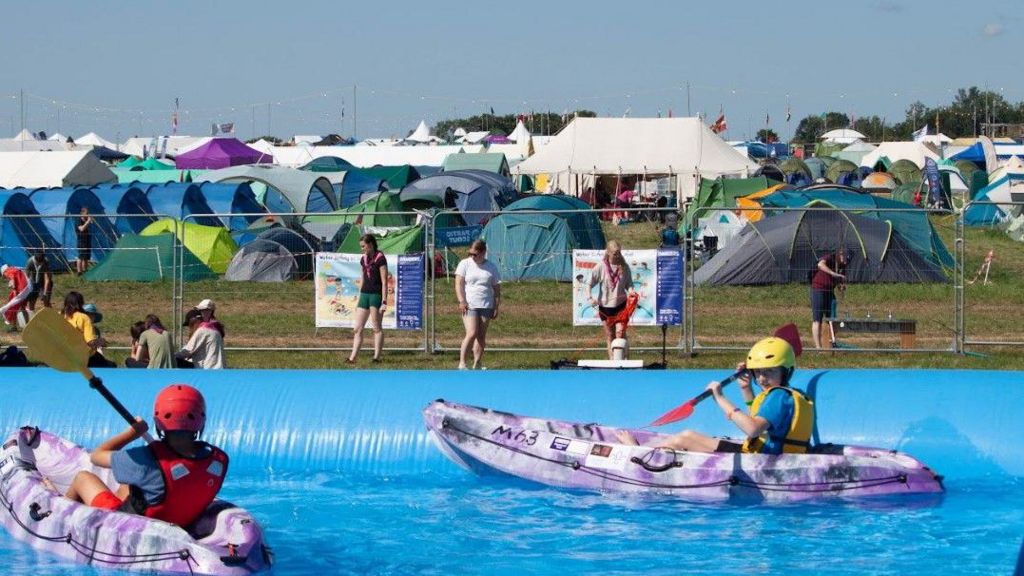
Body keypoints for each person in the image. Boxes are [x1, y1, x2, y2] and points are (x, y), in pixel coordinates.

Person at [63, 384, 229, 528]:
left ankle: (60, 515)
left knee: (82, 478)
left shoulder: (144, 460)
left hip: (127, 525)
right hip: (179, 523)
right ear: (201, 421)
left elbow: (96, 456)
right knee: (128, 485)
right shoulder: (219, 460)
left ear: (158, 422)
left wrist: (133, 433)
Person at [617, 337, 814, 455]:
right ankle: (647, 451)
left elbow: (752, 429)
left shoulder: (778, 396)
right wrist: (746, 389)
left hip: (763, 461)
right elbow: (759, 422)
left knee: (684, 439)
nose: (762, 378)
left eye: (770, 372)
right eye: (758, 372)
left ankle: (637, 453)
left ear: (785, 371)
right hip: (770, 455)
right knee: (688, 436)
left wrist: (720, 398)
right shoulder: (789, 395)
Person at [455, 239, 501, 370]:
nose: (472, 256)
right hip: (470, 304)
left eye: (475, 254)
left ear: (483, 253)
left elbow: (497, 289)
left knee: (481, 335)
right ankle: (462, 363)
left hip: (486, 304)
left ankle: (477, 363)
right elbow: (459, 284)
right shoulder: (464, 264)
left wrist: (496, 306)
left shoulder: (491, 266)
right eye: (470, 253)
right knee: (472, 332)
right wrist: (461, 300)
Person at [588, 241, 634, 360]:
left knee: (620, 333)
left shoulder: (624, 266)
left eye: (619, 253)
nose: (617, 256)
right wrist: (590, 297)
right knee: (610, 335)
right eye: (614, 254)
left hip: (620, 306)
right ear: (608, 253)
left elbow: (629, 284)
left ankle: (626, 360)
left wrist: (631, 291)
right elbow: (589, 284)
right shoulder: (600, 267)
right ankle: (612, 362)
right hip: (605, 308)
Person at [347, 234, 388, 364]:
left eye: (363, 246)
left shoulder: (380, 258)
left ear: (370, 245)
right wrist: (359, 297)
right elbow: (363, 278)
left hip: (376, 295)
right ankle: (352, 357)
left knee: (376, 327)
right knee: (357, 328)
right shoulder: (363, 259)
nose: (362, 249)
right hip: (365, 295)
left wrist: (384, 301)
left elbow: (384, 281)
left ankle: (376, 357)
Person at [810, 249, 848, 349]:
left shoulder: (843, 266)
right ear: (838, 254)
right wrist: (833, 273)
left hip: (830, 291)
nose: (845, 257)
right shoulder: (829, 258)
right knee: (817, 320)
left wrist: (841, 286)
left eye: (846, 255)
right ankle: (818, 348)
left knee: (832, 319)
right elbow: (820, 265)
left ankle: (831, 343)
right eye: (843, 254)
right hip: (818, 290)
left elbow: (840, 283)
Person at [1, 264, 32, 331]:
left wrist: (14, 288)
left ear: (3, 272)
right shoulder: (17, 269)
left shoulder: (7, 271)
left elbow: (12, 278)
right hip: (27, 289)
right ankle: (27, 326)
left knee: (13, 307)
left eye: (4, 276)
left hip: (22, 290)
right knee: (22, 308)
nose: (5, 277)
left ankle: (14, 326)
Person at [76, 207, 94, 276]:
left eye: (88, 213)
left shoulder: (86, 220)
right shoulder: (78, 221)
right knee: (81, 256)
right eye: (86, 213)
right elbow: (81, 229)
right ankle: (79, 272)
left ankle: (85, 271)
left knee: (86, 257)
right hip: (81, 241)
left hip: (87, 240)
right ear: (82, 213)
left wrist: (90, 221)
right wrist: (88, 222)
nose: (87, 215)